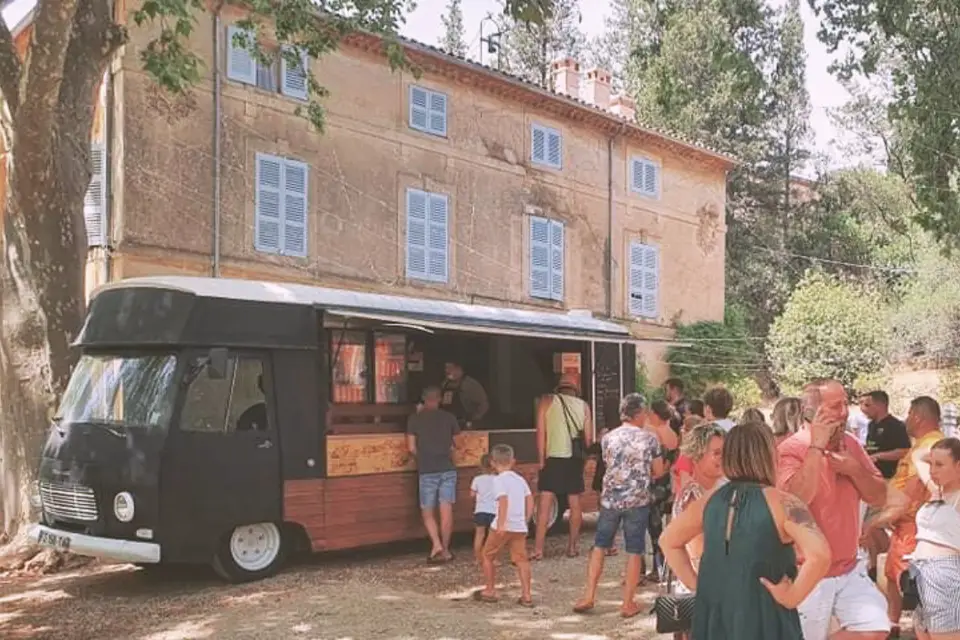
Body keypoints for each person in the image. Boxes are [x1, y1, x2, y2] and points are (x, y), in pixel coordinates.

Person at [661, 421, 832, 640]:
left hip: (715, 613)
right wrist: (792, 596)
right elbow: (820, 555)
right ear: (769, 455)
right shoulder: (783, 503)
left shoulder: (709, 500)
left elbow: (669, 541)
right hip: (764, 614)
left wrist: (698, 584)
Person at [777, 378, 891, 640]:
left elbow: (879, 496)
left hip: (849, 567)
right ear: (812, 412)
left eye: (845, 404)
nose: (844, 412)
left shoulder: (851, 444)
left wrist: (854, 470)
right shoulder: (791, 449)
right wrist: (817, 447)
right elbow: (794, 501)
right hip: (807, 571)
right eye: (835, 406)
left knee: (875, 626)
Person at [573, 393, 667, 618]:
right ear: (639, 413)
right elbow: (658, 471)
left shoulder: (608, 438)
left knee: (600, 546)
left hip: (610, 500)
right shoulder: (649, 440)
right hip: (637, 501)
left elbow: (609, 463)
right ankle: (627, 603)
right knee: (634, 550)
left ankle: (589, 595)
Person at [860, 396, 944, 638]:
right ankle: (893, 627)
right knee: (893, 577)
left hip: (914, 527)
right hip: (904, 526)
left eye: (908, 414)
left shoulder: (930, 447)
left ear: (917, 416)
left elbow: (917, 491)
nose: (906, 419)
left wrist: (878, 520)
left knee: (911, 585)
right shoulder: (923, 445)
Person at [532, 373, 593, 560]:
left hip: (553, 459)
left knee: (545, 504)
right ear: (576, 389)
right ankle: (572, 547)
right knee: (575, 504)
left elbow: (541, 434)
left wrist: (541, 460)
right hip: (574, 460)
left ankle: (538, 549)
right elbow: (588, 440)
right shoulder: (584, 406)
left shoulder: (546, 401)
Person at [669, 422, 726, 597]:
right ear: (696, 456)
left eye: (725, 453)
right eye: (716, 453)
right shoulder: (693, 496)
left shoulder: (716, 489)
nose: (722, 458)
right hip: (705, 588)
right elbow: (699, 552)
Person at [911, 437, 960, 640]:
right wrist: (936, 458)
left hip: (944, 572)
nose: (932, 470)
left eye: (940, 465)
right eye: (931, 464)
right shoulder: (937, 492)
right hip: (919, 572)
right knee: (924, 633)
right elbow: (917, 455)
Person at [474, 444, 534, 607]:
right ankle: (527, 595)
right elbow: (529, 500)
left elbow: (503, 500)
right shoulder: (520, 480)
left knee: (488, 555)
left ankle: (490, 590)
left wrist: (500, 524)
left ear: (493, 463)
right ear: (513, 461)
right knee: (521, 560)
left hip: (502, 525)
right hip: (519, 526)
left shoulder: (498, 480)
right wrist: (526, 520)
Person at [406, 386, 461, 564]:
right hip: (447, 469)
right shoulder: (450, 418)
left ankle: (436, 544)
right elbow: (458, 444)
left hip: (427, 469)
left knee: (427, 511)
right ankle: (445, 550)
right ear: (440, 399)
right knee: (446, 510)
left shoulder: (414, 419)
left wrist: (422, 457)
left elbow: (411, 448)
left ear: (423, 399)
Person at [646, 399, 681, 582]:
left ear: (656, 414)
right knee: (661, 524)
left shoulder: (653, 432)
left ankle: (657, 567)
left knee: (653, 527)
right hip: (667, 483)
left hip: (654, 483)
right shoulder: (673, 434)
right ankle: (664, 566)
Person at [862, 390, 911, 481]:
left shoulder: (896, 425)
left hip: (890, 477)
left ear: (880, 405)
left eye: (868, 405)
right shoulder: (871, 425)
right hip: (872, 475)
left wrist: (878, 456)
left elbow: (904, 451)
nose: (864, 409)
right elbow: (873, 446)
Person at [440, 360, 489, 428]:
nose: (446, 370)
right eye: (446, 368)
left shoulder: (470, 384)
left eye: (450, 368)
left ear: (459, 369)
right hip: (448, 424)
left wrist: (475, 419)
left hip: (466, 425)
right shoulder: (445, 384)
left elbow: (484, 404)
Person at [471, 454, 497, 568]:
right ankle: (493, 559)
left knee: (479, 535)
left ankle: (477, 558)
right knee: (493, 537)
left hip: (480, 511)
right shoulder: (497, 479)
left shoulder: (477, 479)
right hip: (493, 511)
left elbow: (472, 494)